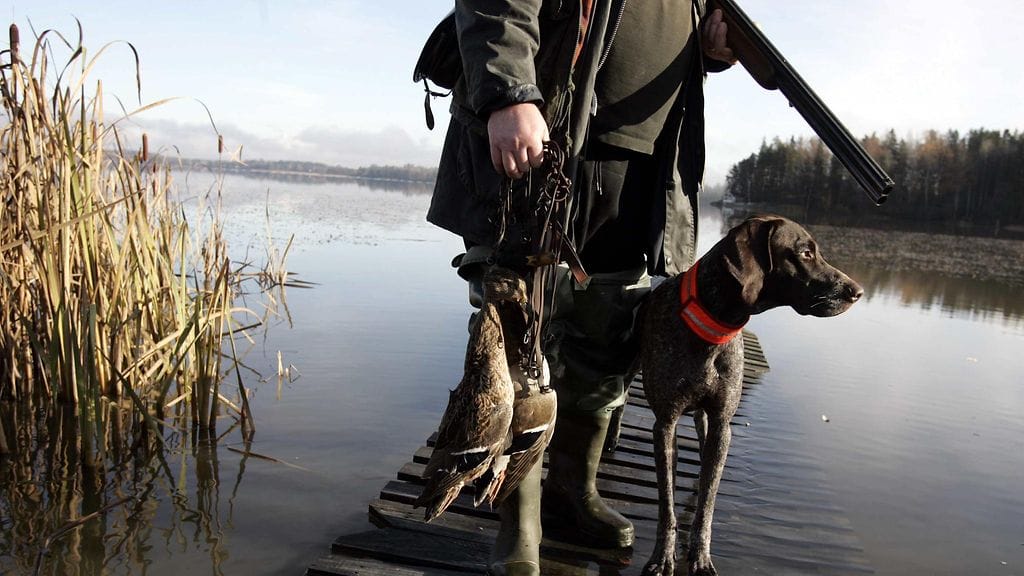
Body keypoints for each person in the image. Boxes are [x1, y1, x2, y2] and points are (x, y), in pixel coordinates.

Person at [422, 2, 735, 574]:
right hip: (545, 130)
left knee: (607, 337)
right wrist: (509, 91)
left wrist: (711, 44)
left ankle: (572, 493)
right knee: (515, 338)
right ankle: (519, 523)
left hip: (646, 157)